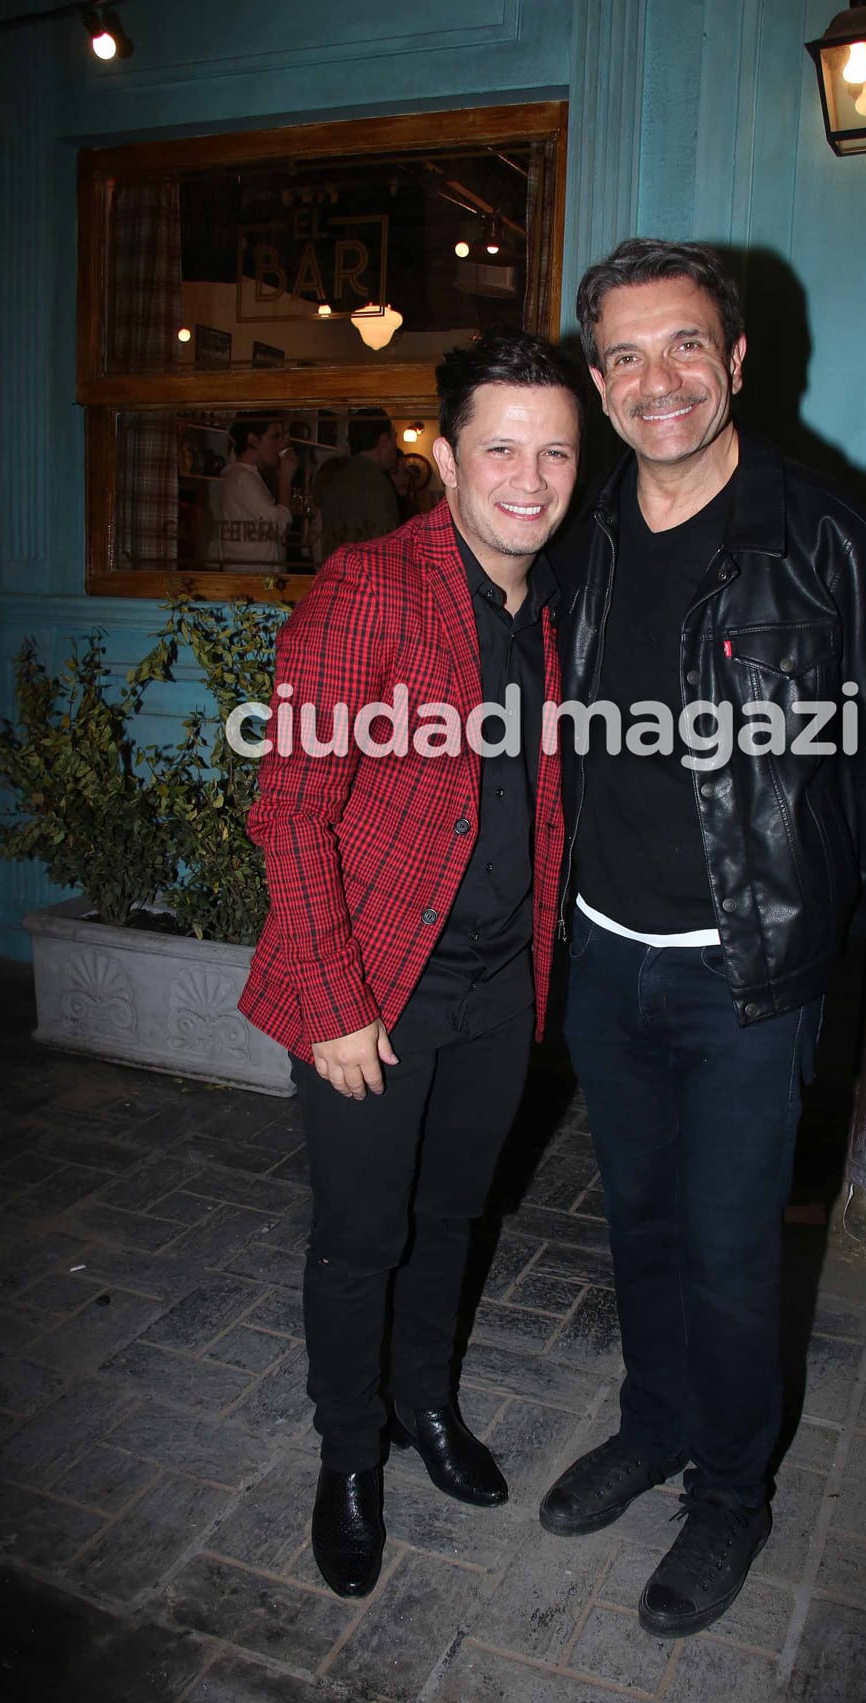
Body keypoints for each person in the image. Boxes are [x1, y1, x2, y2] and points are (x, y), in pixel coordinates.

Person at [539, 239, 866, 1638]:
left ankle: (729, 1493)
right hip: (601, 952)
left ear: (737, 358)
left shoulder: (832, 532)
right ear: (597, 381)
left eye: (686, 345)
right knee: (638, 1226)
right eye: (627, 356)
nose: (660, 381)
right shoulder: (583, 530)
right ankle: (653, 1425)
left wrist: (827, 925)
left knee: (725, 1250)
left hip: (741, 976)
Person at [239, 328, 582, 1599]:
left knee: (452, 1217)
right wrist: (332, 1005)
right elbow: (289, 807)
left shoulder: (547, 601)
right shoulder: (366, 586)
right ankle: (347, 1458)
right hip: (371, 984)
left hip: (498, 983)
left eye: (553, 449)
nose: (529, 476)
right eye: (501, 446)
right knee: (359, 1236)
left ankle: (425, 1407)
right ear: (445, 458)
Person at [314, 406, 402, 558]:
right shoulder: (378, 483)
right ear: (383, 439)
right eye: (394, 438)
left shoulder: (335, 478)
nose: (396, 446)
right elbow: (388, 550)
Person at [219, 412, 298, 572]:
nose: (283, 444)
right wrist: (285, 480)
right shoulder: (242, 478)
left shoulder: (244, 476)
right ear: (253, 439)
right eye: (275, 437)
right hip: (252, 583)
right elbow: (278, 524)